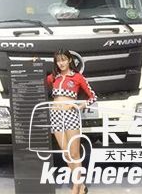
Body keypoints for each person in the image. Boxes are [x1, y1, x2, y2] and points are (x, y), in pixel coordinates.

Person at [46, 49, 96, 194]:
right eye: (58, 60)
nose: (61, 63)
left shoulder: (77, 77)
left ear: (69, 60)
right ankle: (81, 186)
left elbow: (93, 96)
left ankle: (75, 188)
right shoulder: (53, 78)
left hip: (70, 115)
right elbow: (36, 79)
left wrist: (80, 106)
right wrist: (33, 64)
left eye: (63, 59)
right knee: (66, 154)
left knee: (74, 153)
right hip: (55, 116)